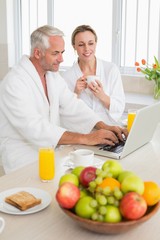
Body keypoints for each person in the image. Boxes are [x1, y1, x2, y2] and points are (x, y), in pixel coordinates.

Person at [0, 25, 127, 174]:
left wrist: (104, 126)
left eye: (62, 52)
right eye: (55, 53)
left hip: (50, 154)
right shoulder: (14, 82)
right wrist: (87, 138)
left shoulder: (52, 76)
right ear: (37, 53)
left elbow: (72, 105)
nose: (61, 59)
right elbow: (34, 127)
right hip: (23, 159)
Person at [61, 25, 125, 125]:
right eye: (81, 45)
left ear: (95, 44)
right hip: (82, 131)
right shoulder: (66, 77)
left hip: (109, 128)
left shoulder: (111, 70)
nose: (87, 49)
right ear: (74, 46)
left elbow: (119, 107)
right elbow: (64, 114)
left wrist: (102, 96)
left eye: (90, 43)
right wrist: (76, 94)